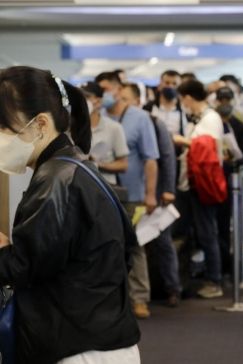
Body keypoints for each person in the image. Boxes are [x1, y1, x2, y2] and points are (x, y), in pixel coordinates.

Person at [0, 66, 140, 363]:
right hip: (98, 336)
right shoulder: (75, 168)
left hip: (78, 347)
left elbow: (24, 267)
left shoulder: (56, 181)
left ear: (40, 124)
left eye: (3, 128)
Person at [95, 71, 159, 319]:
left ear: (119, 89)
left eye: (107, 88)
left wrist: (150, 194)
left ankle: (140, 299)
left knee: (135, 246)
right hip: (102, 194)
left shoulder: (140, 118)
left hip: (133, 194)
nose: (104, 94)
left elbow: (151, 159)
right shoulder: (97, 118)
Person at [122, 83, 183, 307]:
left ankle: (172, 288)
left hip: (155, 192)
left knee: (162, 240)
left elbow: (166, 158)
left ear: (138, 101)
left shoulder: (154, 123)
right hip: (134, 192)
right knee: (136, 242)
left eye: (126, 99)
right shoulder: (117, 123)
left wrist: (167, 190)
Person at [175, 79, 225, 299]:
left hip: (203, 185)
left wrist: (182, 141)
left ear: (187, 97)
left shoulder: (211, 118)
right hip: (191, 183)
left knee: (207, 233)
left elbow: (209, 150)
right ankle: (195, 275)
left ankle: (214, 280)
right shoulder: (197, 120)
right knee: (195, 232)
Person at [214, 86, 243, 275]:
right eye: (222, 100)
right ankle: (219, 264)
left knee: (228, 224)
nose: (225, 103)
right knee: (216, 225)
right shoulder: (211, 122)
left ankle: (230, 265)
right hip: (213, 178)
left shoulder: (240, 124)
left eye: (228, 100)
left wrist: (232, 159)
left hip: (231, 179)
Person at [81, 81, 129, 185]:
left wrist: (96, 164)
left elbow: (123, 165)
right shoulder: (72, 128)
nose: (81, 100)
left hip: (105, 188)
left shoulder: (114, 128)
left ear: (98, 102)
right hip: (79, 187)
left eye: (86, 97)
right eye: (79, 96)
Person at [143, 70, 186, 137]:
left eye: (174, 84)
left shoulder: (184, 111)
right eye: (167, 83)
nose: (170, 87)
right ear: (160, 85)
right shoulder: (148, 108)